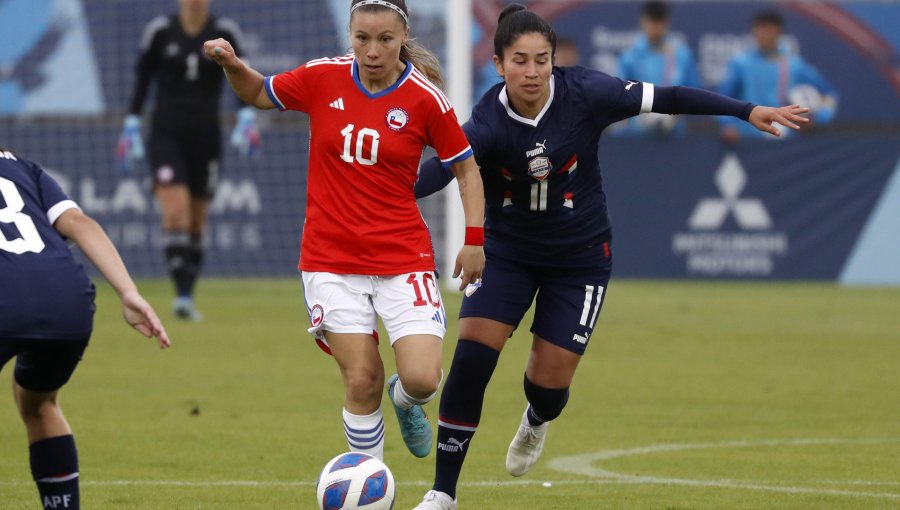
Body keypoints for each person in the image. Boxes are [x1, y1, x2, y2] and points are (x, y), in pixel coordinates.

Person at [411, 4, 808, 509]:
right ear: (498, 64)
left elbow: (671, 97)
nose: (531, 72)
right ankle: (443, 493)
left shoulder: (588, 93)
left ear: (554, 60)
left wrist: (745, 110)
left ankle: (536, 420)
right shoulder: (487, 120)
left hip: (579, 260)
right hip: (508, 254)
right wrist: (380, 189)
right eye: (519, 61)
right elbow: (436, 173)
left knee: (548, 387)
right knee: (470, 361)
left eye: (541, 60)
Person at [203, 0, 485, 462]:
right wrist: (233, 65)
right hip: (330, 260)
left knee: (421, 379)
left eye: (385, 40)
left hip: (402, 257)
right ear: (350, 36)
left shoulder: (425, 98)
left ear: (403, 37)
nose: (372, 50)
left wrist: (474, 241)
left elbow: (468, 172)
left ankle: (405, 401)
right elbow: (258, 93)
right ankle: (368, 483)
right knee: (361, 379)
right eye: (362, 38)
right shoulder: (322, 76)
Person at [0, 147, 171, 510]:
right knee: (38, 402)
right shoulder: (24, 168)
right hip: (66, 299)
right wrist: (128, 292)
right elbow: (80, 224)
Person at [118, 0, 259, 321]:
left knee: (196, 220)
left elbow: (243, 75)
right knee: (176, 209)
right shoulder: (159, 32)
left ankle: (186, 294)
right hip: (166, 137)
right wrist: (131, 123)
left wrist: (246, 115)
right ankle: (180, 292)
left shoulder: (225, 33)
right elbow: (142, 81)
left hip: (207, 138)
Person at [718, 9, 838, 143]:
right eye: (757, 28)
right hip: (749, 139)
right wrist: (727, 125)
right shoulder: (740, 63)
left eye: (767, 29)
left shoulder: (795, 65)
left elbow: (829, 95)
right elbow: (723, 99)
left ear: (778, 31)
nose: (761, 34)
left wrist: (818, 118)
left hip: (787, 141)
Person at [616, 0, 700, 136]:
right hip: (637, 137)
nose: (655, 27)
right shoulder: (630, 57)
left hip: (674, 136)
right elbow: (617, 95)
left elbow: (694, 93)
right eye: (651, 22)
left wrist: (676, 113)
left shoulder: (681, 55)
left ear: (667, 23)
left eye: (660, 22)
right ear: (643, 22)